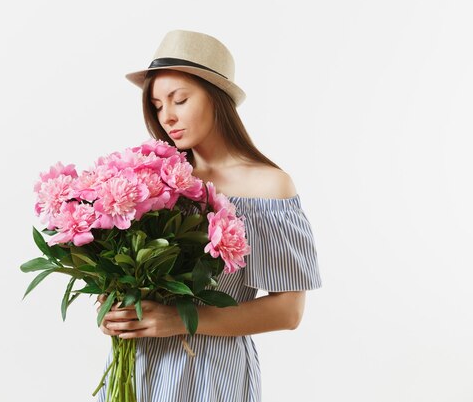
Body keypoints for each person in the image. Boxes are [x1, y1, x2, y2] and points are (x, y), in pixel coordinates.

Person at [95, 29, 322, 402]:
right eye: (156, 105)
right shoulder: (152, 182)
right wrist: (114, 313)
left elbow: (289, 310)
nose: (166, 116)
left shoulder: (268, 187)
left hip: (213, 372)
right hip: (137, 368)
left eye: (179, 99)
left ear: (217, 98)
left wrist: (184, 320)